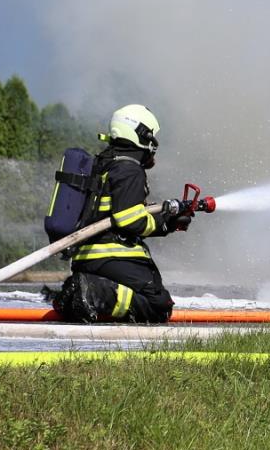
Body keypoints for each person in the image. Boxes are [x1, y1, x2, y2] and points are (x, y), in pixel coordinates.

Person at [52, 104, 191, 323]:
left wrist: (168, 222)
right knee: (158, 306)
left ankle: (81, 295)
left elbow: (115, 217)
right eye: (151, 137)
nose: (153, 145)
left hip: (87, 258)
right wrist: (164, 221)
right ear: (140, 135)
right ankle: (92, 293)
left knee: (124, 302)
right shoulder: (129, 170)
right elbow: (129, 221)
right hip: (113, 256)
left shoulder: (102, 165)